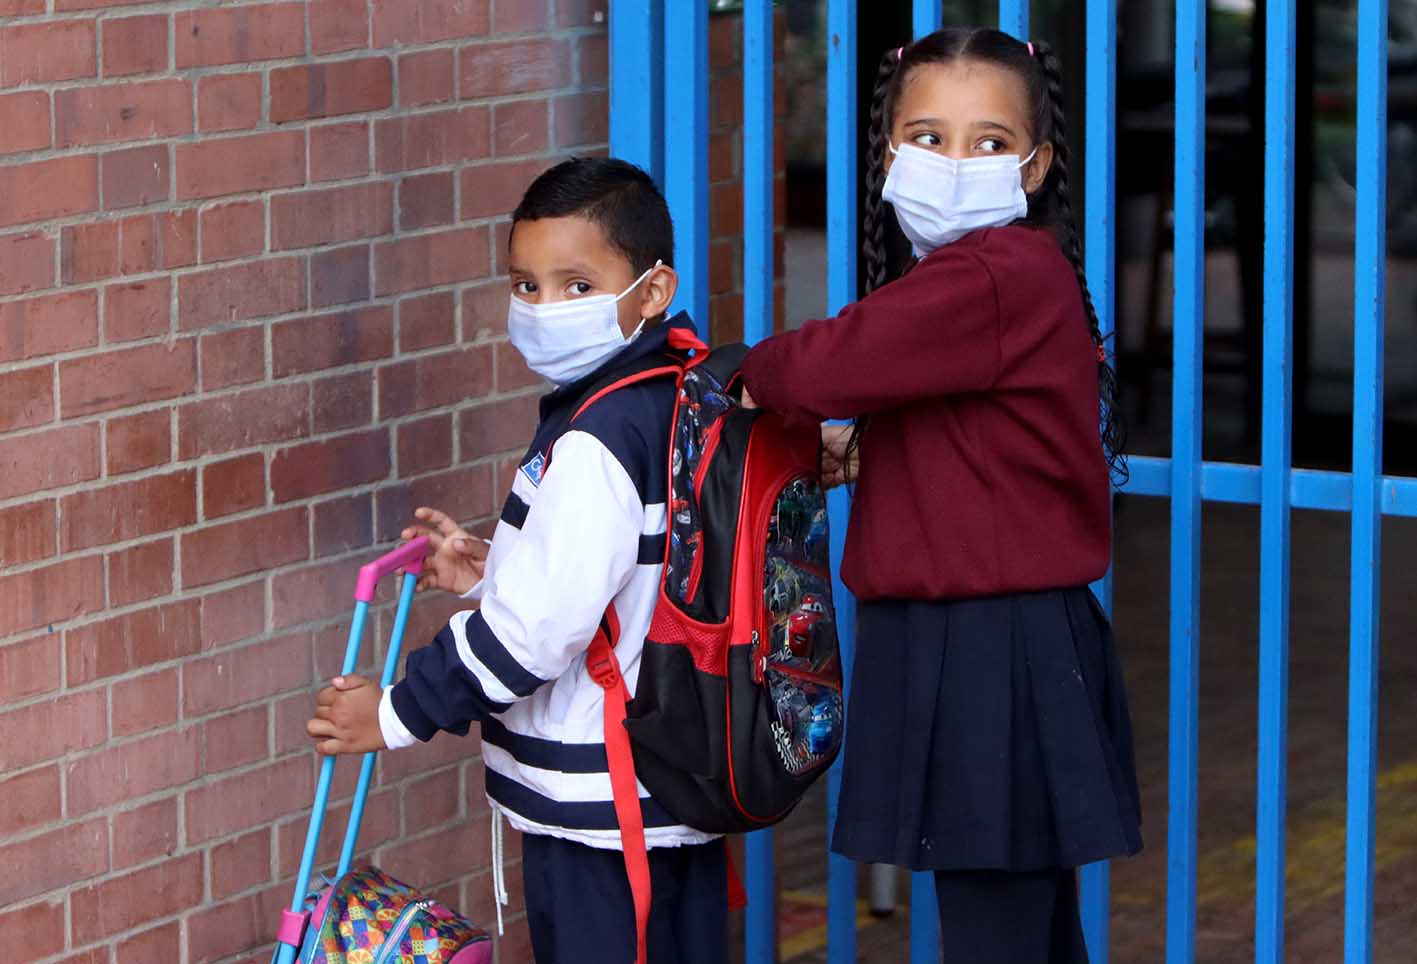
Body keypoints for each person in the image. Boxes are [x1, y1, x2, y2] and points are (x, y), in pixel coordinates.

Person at [739, 28, 1142, 963]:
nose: (953, 164)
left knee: (995, 934)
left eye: (989, 143)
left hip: (991, 648)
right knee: (1029, 932)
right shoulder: (991, 280)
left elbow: (828, 361)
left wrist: (730, 377)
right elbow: (955, 431)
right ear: (887, 152)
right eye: (926, 137)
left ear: (1035, 167)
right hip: (998, 637)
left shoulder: (993, 274)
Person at [305, 157, 728, 964]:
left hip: (603, 814)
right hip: (659, 788)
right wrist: (494, 568)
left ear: (651, 290)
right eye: (525, 284)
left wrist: (395, 712)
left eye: (576, 285)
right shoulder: (668, 392)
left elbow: (536, 634)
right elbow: (624, 574)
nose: (542, 309)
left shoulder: (596, 437)